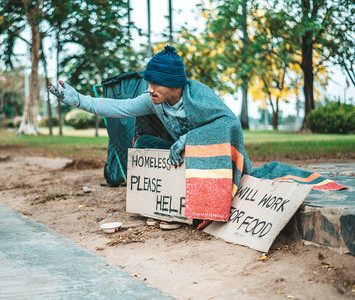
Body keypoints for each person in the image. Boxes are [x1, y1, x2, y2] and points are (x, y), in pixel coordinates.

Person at [49, 45, 346, 228]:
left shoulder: (199, 96)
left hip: (212, 155)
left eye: (155, 85)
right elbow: (118, 107)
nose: (149, 90)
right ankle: (168, 207)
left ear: (172, 85)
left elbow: (229, 125)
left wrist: (188, 139)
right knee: (146, 143)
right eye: (148, 84)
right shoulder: (154, 100)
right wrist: (79, 100)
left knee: (210, 140)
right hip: (183, 156)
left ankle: (200, 212)